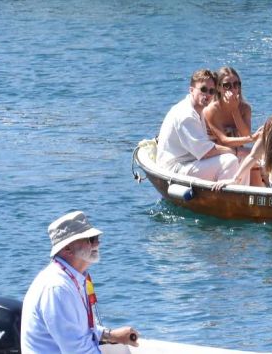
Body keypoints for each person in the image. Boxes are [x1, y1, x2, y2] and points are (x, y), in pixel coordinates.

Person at [20, 211, 140, 354]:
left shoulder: (73, 278)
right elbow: (76, 350)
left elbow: (81, 330)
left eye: (96, 237)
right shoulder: (57, 287)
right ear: (67, 248)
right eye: (90, 239)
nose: (97, 243)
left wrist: (110, 335)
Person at [155, 70, 241, 180]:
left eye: (211, 91)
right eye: (203, 90)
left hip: (190, 162)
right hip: (174, 168)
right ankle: (224, 197)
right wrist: (235, 151)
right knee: (231, 160)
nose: (207, 95)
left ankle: (243, 195)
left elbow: (204, 146)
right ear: (191, 90)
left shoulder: (198, 111)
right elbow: (206, 152)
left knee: (242, 160)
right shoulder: (186, 115)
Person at [202, 65, 254, 147]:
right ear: (218, 88)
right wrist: (254, 138)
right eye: (227, 85)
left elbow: (245, 135)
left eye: (236, 84)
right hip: (217, 152)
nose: (232, 89)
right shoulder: (211, 110)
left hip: (237, 150)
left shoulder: (245, 108)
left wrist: (235, 110)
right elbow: (223, 141)